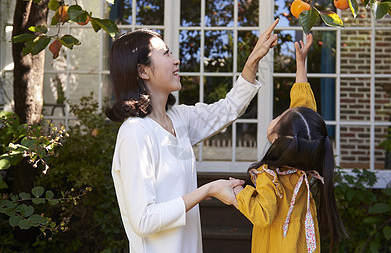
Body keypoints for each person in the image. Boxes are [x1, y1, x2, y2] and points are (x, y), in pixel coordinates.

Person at [106, 19, 279, 253]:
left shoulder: (179, 118)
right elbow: (144, 220)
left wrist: (253, 61)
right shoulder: (135, 132)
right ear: (142, 70)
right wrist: (208, 190)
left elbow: (229, 108)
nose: (176, 60)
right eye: (165, 53)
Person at [232, 34, 347, 252]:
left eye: (280, 116)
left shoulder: (270, 175)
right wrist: (300, 63)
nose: (279, 115)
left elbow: (262, 214)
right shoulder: (304, 155)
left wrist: (239, 192)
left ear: (276, 138)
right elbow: (304, 107)